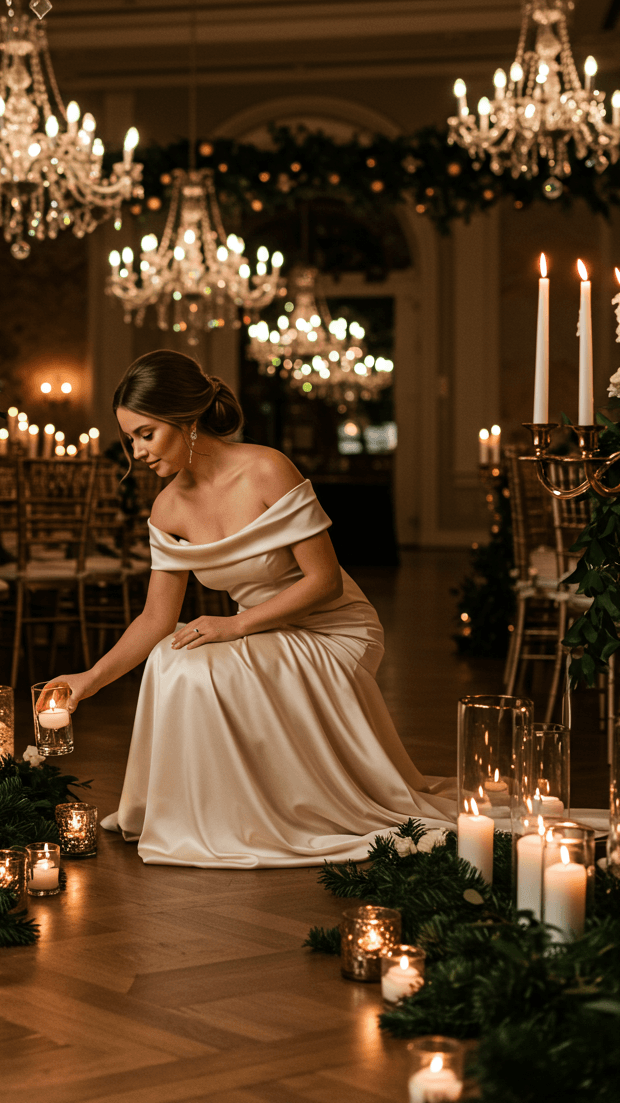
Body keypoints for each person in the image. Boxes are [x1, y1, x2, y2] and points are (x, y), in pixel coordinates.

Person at [49, 350, 454, 868]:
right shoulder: (167, 507)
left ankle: (263, 815)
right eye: (130, 438)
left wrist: (235, 625)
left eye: (146, 434)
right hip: (257, 632)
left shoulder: (265, 468)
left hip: (334, 629)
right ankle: (206, 813)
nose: (137, 452)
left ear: (186, 420)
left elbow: (325, 583)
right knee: (171, 658)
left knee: (197, 661)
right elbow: (156, 619)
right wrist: (90, 678)